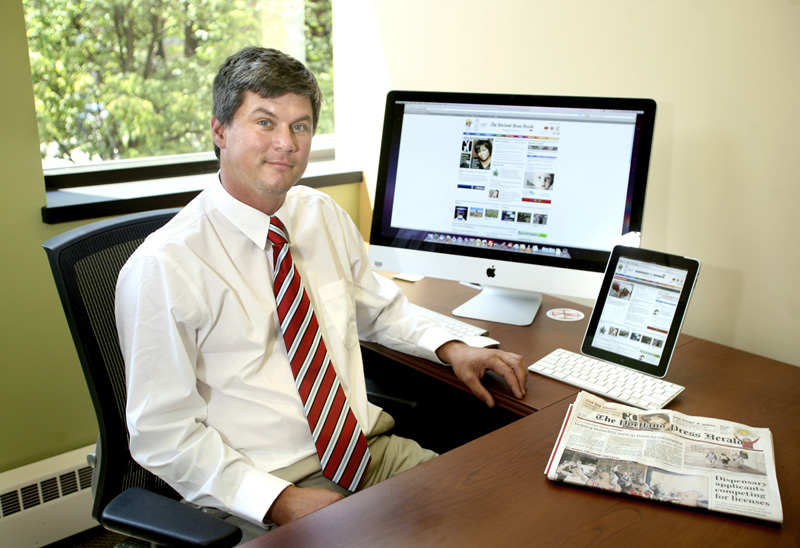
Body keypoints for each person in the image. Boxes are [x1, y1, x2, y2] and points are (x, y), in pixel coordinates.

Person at [115, 46, 527, 540]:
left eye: (301, 126)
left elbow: (381, 310)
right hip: (259, 489)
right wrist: (280, 501)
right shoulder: (165, 266)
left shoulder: (321, 215)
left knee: (498, 517)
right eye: (265, 122)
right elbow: (163, 434)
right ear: (220, 130)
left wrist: (452, 347)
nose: (286, 143)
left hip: (369, 454)